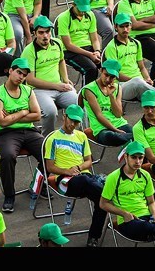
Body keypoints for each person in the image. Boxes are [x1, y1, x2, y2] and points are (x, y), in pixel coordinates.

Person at [43, 104, 107, 246]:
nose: (73, 124)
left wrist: (78, 167)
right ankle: (111, 195)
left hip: (85, 178)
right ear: (64, 117)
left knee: (102, 202)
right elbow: (50, 166)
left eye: (77, 122)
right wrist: (68, 171)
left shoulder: (82, 136)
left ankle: (93, 238)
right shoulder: (53, 138)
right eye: (71, 120)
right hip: (65, 180)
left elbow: (89, 161)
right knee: (101, 191)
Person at [0, 57, 45, 213]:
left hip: (29, 131)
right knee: (7, 156)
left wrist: (13, 116)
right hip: (7, 134)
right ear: (10, 71)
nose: (21, 77)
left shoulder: (28, 91)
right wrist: (24, 111)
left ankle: (37, 185)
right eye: (19, 72)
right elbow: (2, 121)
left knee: (49, 152)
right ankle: (9, 195)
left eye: (24, 75)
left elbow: (37, 116)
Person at [99, 140, 155, 246]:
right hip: (127, 221)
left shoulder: (145, 175)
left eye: (140, 157)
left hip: (147, 218)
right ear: (126, 157)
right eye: (134, 157)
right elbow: (103, 204)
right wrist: (124, 214)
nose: (137, 161)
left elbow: (151, 202)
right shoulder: (113, 178)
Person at [21, 15, 78, 136]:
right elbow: (30, 80)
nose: (45, 36)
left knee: (79, 103)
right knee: (51, 112)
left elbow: (61, 60)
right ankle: (47, 140)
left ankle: (77, 136)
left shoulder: (57, 44)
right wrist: (56, 86)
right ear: (35, 33)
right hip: (39, 91)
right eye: (41, 32)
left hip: (60, 87)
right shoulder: (29, 51)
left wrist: (66, 80)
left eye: (47, 32)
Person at [102, 13, 155, 102]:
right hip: (121, 86)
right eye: (122, 27)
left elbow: (142, 67)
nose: (125, 29)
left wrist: (147, 78)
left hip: (140, 83)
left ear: (131, 26)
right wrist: (137, 80)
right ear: (116, 27)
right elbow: (115, 74)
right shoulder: (111, 47)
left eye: (127, 26)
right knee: (138, 83)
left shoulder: (136, 43)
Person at [81, 59, 133, 146]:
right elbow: (99, 115)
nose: (108, 79)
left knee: (133, 134)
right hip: (101, 128)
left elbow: (118, 114)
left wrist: (111, 96)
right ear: (101, 70)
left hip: (119, 124)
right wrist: (116, 130)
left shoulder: (118, 88)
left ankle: (131, 139)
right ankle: (133, 137)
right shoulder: (89, 90)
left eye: (112, 77)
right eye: (106, 75)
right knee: (112, 136)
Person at [56, 0, 101, 85]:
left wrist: (97, 51)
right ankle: (85, 96)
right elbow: (68, 45)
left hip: (88, 49)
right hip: (71, 52)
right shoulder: (64, 18)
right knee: (91, 69)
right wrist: (89, 55)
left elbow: (95, 39)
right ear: (73, 5)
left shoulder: (90, 15)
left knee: (107, 67)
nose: (83, 12)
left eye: (85, 9)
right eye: (80, 9)